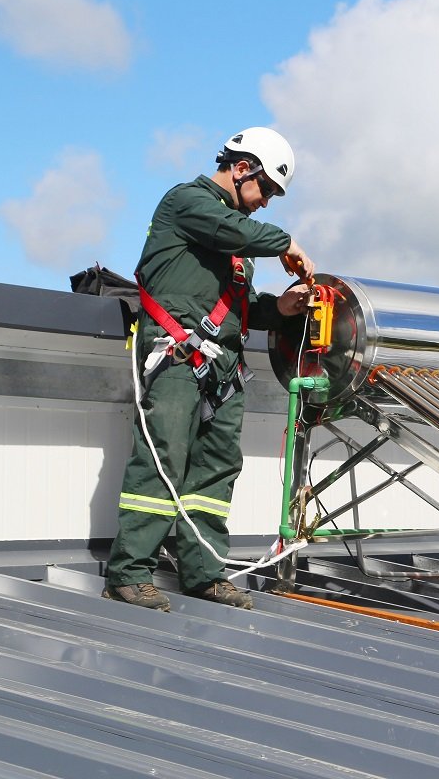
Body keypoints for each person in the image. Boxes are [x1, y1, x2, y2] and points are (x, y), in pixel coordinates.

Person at [103, 127, 315, 612]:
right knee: (163, 457)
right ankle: (128, 574)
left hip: (223, 365)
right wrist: (286, 244)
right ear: (242, 169)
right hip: (175, 354)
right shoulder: (188, 204)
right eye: (267, 190)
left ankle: (204, 572)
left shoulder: (235, 243)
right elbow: (233, 230)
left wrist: (279, 309)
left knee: (218, 468)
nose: (266, 204)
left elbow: (237, 308)